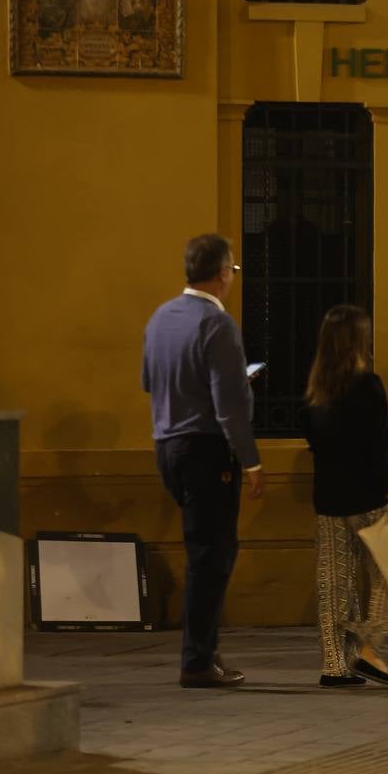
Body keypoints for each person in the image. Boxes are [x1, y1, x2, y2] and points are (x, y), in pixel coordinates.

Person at [142, 233, 264, 688]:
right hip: (207, 448)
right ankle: (197, 660)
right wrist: (250, 460)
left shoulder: (160, 318)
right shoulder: (218, 324)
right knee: (211, 554)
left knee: (205, 549)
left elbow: (149, 380)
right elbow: (229, 404)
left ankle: (205, 653)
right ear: (223, 273)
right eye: (233, 270)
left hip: (166, 444)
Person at [301, 305, 388, 688]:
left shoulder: (314, 392)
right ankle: (367, 648)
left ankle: (335, 667)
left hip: (328, 498)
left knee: (335, 585)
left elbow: (315, 443)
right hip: (367, 498)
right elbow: (378, 449)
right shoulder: (368, 386)